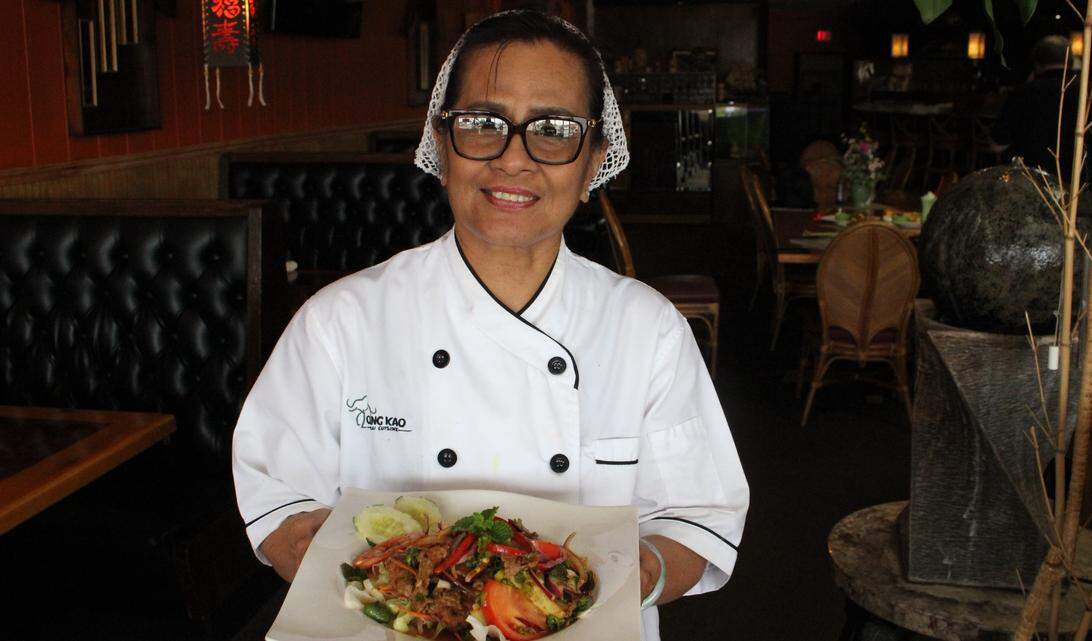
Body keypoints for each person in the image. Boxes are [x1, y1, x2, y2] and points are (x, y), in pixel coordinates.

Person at [231, 10, 749, 641]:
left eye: (554, 130)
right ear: (442, 144)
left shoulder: (648, 330)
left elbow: (698, 518)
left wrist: (636, 573)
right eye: (482, 124)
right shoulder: (340, 321)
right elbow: (278, 503)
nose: (513, 159)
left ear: (593, 163)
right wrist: (357, 573)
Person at [996, 35, 1079, 177]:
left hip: (1031, 183)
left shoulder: (1023, 93)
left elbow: (998, 144)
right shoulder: (1090, 92)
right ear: (1071, 60)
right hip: (1084, 183)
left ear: (1036, 63)